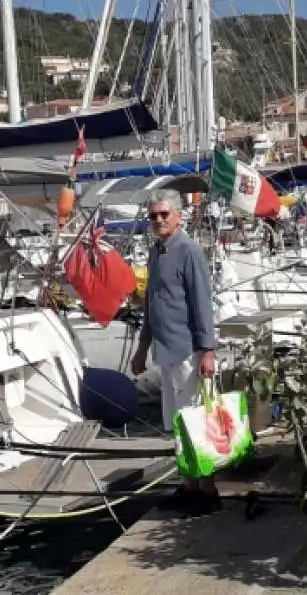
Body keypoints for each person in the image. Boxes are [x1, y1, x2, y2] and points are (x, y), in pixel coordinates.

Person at [130, 189, 220, 516]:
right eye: (153, 215)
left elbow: (202, 304)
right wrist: (142, 347)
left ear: (178, 216)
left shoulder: (189, 251)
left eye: (164, 214)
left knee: (197, 420)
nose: (158, 220)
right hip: (164, 351)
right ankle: (189, 484)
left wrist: (207, 351)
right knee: (176, 422)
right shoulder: (156, 253)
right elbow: (152, 305)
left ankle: (208, 490)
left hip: (188, 350)